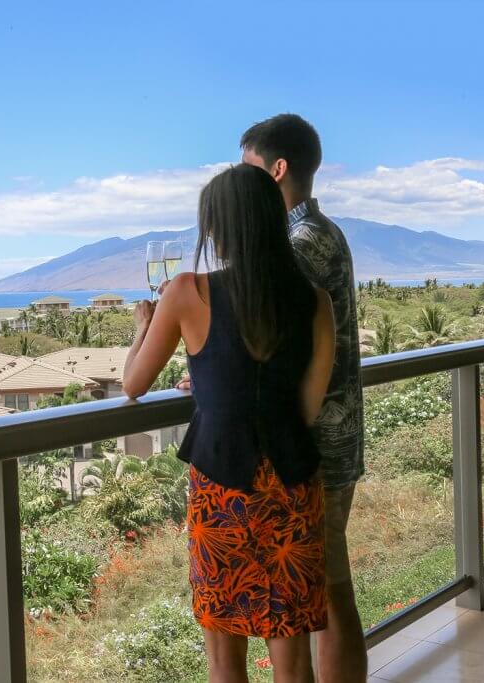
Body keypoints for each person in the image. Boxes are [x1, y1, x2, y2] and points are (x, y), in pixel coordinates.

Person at [125, 163, 336, 682]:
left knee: (225, 660)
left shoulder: (186, 293)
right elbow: (304, 407)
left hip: (223, 492)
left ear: (218, 227)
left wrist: (143, 327)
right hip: (291, 486)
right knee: (292, 661)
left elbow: (133, 383)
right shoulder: (315, 301)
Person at [240, 114, 367, 681]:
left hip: (316, 443)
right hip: (332, 436)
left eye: (248, 172)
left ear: (278, 169)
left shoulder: (300, 241)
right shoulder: (323, 230)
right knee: (325, 591)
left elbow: (272, 339)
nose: (241, 188)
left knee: (326, 596)